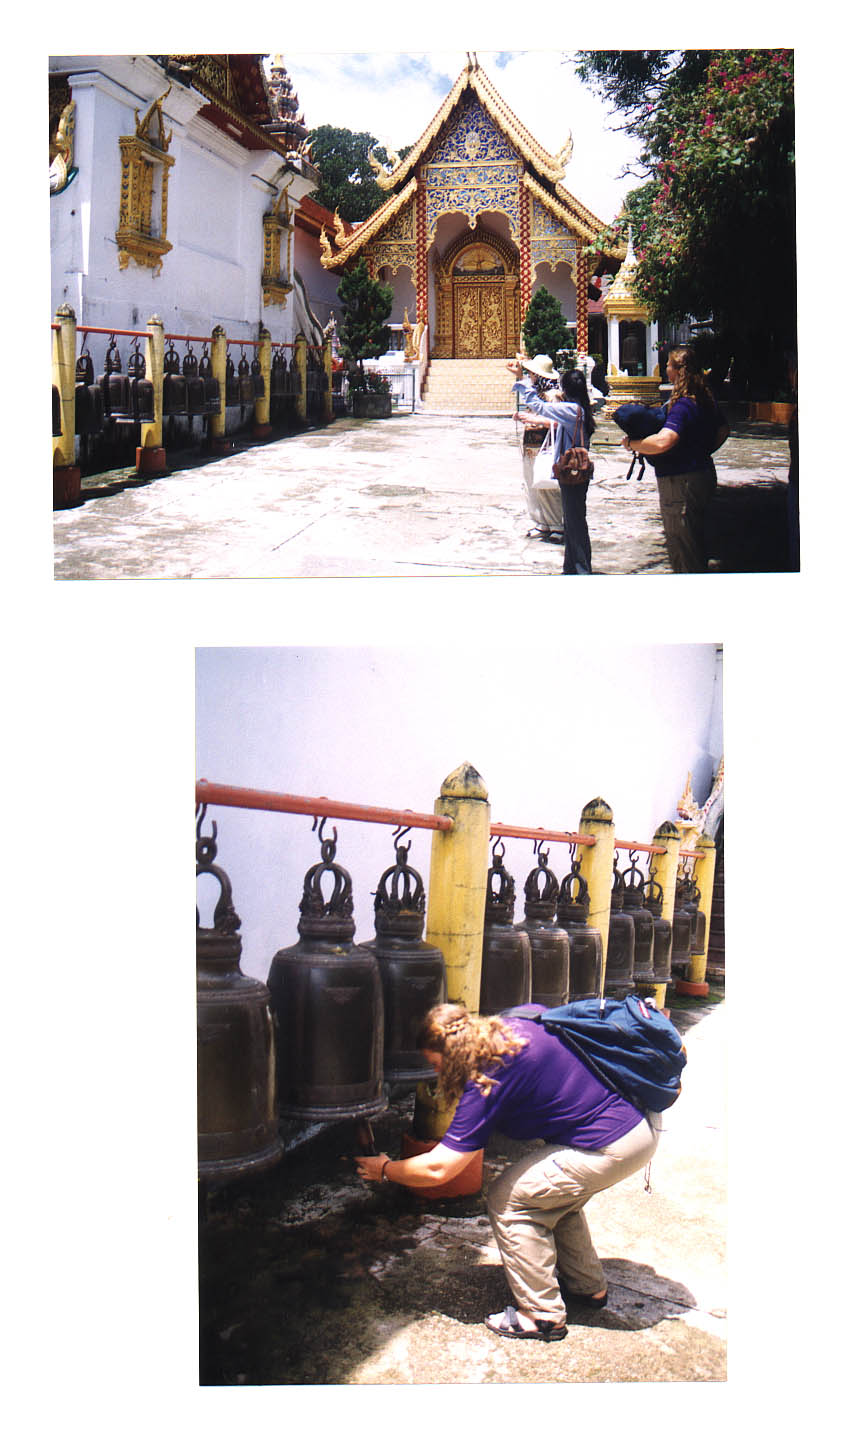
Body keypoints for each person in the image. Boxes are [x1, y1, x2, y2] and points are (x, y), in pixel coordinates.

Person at [355, 1002, 659, 1343]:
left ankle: (542, 1316)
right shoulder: (519, 1020)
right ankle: (588, 1289)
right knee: (554, 1197)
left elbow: (440, 1167)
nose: (436, 1073)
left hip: (612, 1144)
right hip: (637, 1122)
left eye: (435, 1064)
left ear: (451, 1054)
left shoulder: (487, 1076)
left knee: (510, 1198)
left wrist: (384, 1169)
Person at [621, 345, 729, 573]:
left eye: (669, 365)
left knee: (683, 550)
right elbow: (723, 431)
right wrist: (701, 451)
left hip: (680, 483)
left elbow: (664, 441)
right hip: (703, 474)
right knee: (697, 542)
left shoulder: (683, 405)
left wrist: (633, 444)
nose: (666, 369)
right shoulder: (705, 399)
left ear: (678, 371)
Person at [508, 357, 596, 575]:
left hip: (571, 472)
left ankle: (581, 569)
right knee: (574, 521)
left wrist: (522, 381)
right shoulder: (578, 409)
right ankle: (571, 568)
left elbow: (539, 407)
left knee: (575, 524)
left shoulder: (572, 410)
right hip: (572, 471)